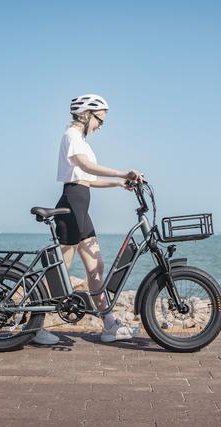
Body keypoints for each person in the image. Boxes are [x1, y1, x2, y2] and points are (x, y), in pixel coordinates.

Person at [32, 94, 144, 345]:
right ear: (86, 114)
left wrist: (119, 183)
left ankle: (109, 325)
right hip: (72, 204)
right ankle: (35, 327)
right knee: (58, 273)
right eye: (99, 120)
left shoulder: (81, 140)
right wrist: (121, 171)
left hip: (81, 205)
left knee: (96, 268)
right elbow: (85, 167)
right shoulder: (71, 135)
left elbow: (89, 179)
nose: (100, 126)